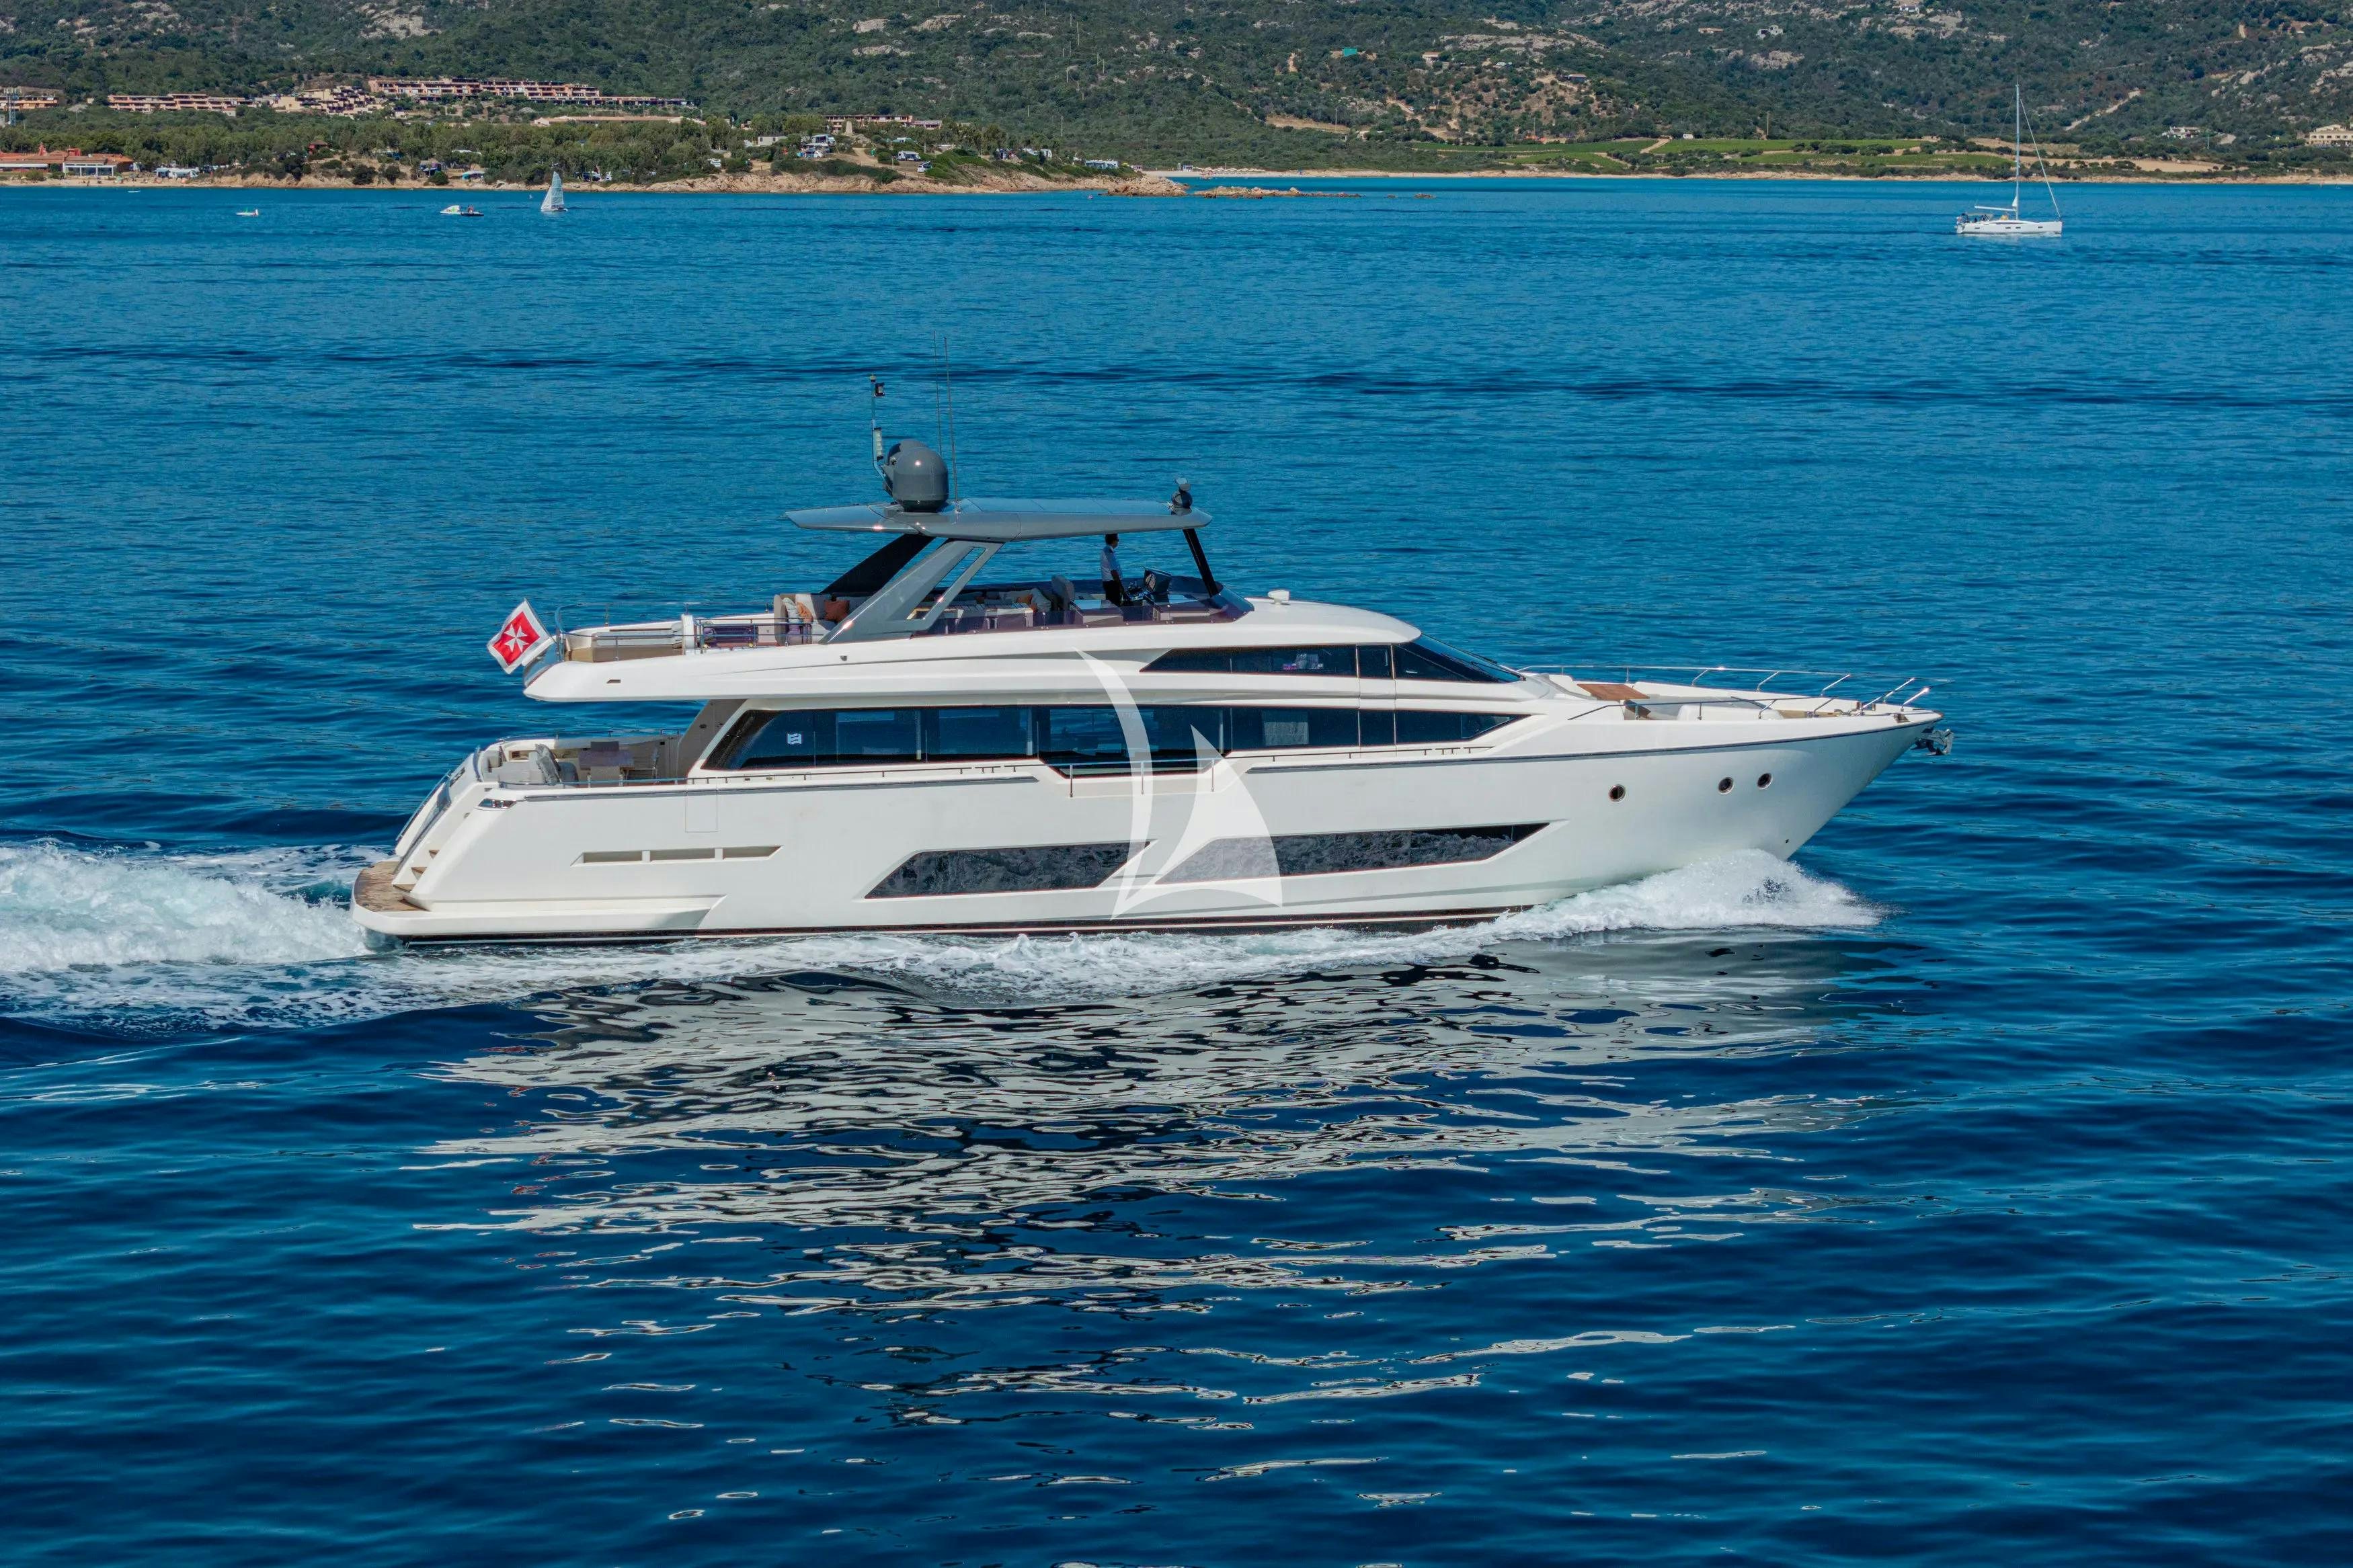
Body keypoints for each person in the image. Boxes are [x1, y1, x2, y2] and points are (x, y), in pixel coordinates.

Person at [1099, 533, 1125, 606]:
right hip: (1112, 583)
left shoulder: (1105, 549)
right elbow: (1113, 571)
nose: (1118, 541)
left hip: (1108, 583)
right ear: (1114, 541)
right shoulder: (1110, 552)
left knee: (1110, 604)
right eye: (1117, 540)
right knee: (1114, 605)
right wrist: (1120, 586)